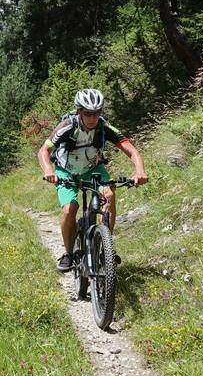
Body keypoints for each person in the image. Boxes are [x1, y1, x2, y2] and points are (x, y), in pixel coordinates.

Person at [37, 88, 148, 272]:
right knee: (69, 209)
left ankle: (106, 247)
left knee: (109, 195)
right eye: (88, 113)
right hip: (66, 171)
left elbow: (132, 150)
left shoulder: (104, 127)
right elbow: (44, 151)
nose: (93, 118)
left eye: (97, 113)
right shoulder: (67, 126)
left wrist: (140, 171)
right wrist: (49, 170)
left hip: (93, 169)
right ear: (79, 111)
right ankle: (68, 253)